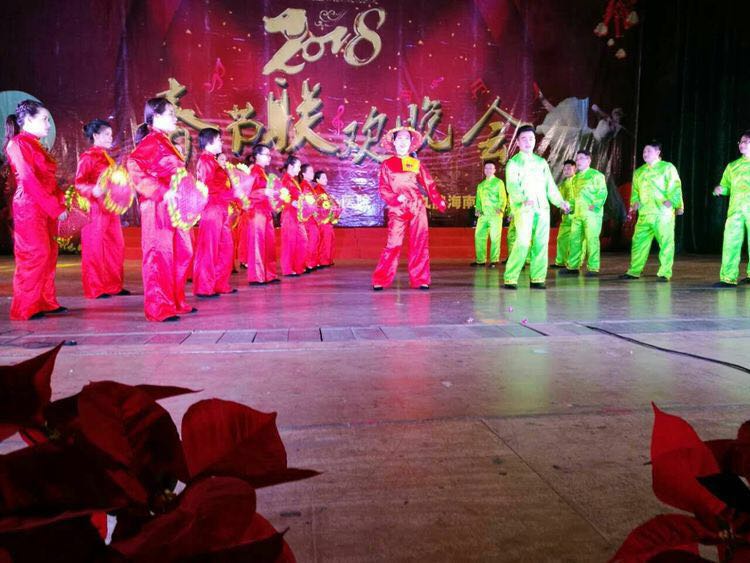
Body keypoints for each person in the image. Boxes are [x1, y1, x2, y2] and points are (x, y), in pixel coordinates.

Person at [126, 97, 195, 321]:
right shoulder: (152, 141)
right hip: (157, 207)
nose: (175, 118)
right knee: (159, 256)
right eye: (170, 114)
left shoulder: (165, 142)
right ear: (155, 117)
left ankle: (174, 301)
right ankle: (159, 308)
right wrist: (162, 191)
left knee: (182, 252)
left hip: (172, 208)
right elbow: (133, 165)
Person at [4, 99, 68, 320]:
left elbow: (48, 180)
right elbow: (29, 180)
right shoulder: (17, 144)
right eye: (44, 119)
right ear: (28, 120)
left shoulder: (35, 144)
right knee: (35, 254)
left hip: (43, 205)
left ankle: (45, 301)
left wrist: (59, 203)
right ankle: (25, 307)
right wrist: (54, 207)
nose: (48, 124)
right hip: (29, 206)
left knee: (49, 253)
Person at [372, 126, 447, 290]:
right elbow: (383, 188)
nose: (403, 141)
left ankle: (420, 279)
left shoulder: (415, 163)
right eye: (399, 138)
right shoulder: (387, 164)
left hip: (416, 207)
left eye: (406, 138)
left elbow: (429, 184)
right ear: (394, 142)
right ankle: (381, 279)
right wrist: (395, 198)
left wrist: (438, 201)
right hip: (397, 209)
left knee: (419, 243)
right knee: (393, 243)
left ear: (411, 142)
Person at [503, 124, 570, 289]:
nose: (528, 142)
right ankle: (510, 277)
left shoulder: (541, 162)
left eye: (531, 139)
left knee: (541, 243)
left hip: (542, 209)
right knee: (523, 242)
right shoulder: (514, 163)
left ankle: (538, 278)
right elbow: (512, 186)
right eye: (524, 139)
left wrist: (560, 202)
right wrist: (522, 199)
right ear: (517, 142)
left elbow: (550, 186)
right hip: (524, 209)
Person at [75, 118, 128, 299]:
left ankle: (114, 285)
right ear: (96, 136)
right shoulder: (87, 158)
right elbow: (79, 184)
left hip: (110, 209)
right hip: (94, 209)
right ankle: (95, 288)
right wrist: (93, 190)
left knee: (115, 246)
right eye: (106, 134)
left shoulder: (107, 158)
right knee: (94, 248)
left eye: (111, 135)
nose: (110, 138)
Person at [620, 140, 684, 282]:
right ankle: (634, 271)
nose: (645, 153)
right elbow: (635, 192)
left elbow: (675, 186)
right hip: (644, 213)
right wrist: (635, 202)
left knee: (666, 243)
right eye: (644, 151)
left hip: (662, 213)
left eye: (649, 151)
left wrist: (673, 202)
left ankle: (664, 272)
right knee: (638, 243)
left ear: (658, 152)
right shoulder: (639, 172)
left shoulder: (667, 167)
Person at [192, 128, 236, 297]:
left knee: (225, 247)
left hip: (221, 208)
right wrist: (233, 193)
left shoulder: (213, 161)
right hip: (212, 209)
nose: (221, 143)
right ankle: (204, 287)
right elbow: (208, 189)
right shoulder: (205, 161)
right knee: (209, 249)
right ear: (210, 141)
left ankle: (219, 283)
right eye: (219, 140)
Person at [561, 149, 607, 276]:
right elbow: (574, 197)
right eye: (577, 159)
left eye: (581, 158)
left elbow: (602, 192)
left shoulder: (596, 175)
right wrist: (569, 207)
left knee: (592, 240)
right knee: (574, 240)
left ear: (589, 160)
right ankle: (573, 266)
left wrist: (595, 206)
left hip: (592, 215)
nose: (578, 161)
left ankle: (593, 267)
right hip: (577, 214)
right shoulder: (575, 179)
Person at [713, 131, 750, 287]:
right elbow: (726, 186)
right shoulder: (732, 166)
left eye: (746, 141)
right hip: (735, 210)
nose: (742, 144)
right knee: (730, 243)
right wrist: (720, 189)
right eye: (741, 141)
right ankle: (728, 278)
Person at [245, 143, 279, 285]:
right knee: (257, 244)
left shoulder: (263, 172)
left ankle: (269, 274)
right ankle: (257, 276)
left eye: (270, 155)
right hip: (257, 212)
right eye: (267, 155)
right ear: (257, 156)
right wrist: (263, 192)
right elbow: (247, 193)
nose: (269, 158)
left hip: (266, 212)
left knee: (269, 244)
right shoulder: (254, 171)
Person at [471, 160, 507, 268]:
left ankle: (494, 260)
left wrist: (500, 208)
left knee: (495, 238)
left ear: (494, 170)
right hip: (483, 215)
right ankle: (480, 260)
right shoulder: (481, 185)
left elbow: (503, 197)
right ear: (484, 170)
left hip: (495, 215)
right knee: (479, 236)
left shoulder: (499, 182)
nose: (488, 170)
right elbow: (478, 200)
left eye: (491, 168)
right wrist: (478, 210)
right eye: (486, 168)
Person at [279, 155, 307, 276]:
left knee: (302, 241)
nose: (299, 169)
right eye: (298, 166)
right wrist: (293, 202)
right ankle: (288, 269)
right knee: (289, 242)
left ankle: (297, 267)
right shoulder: (285, 180)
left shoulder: (293, 180)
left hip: (297, 215)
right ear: (291, 166)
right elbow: (282, 197)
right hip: (289, 215)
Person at [551, 159, 577, 268]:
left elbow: (580, 197)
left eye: (569, 168)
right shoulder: (562, 185)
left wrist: (572, 207)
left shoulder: (578, 182)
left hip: (577, 215)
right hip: (566, 216)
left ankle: (575, 263)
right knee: (562, 238)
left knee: (576, 240)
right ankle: (561, 261)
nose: (566, 171)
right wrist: (562, 208)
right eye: (565, 169)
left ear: (575, 168)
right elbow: (559, 200)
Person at [298, 163, 320, 270]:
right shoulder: (304, 185)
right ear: (304, 174)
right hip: (308, 218)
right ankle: (307, 263)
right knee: (310, 240)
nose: (312, 173)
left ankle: (312, 262)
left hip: (312, 216)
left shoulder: (309, 185)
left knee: (314, 239)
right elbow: (306, 203)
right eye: (310, 171)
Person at [313, 170, 335, 267]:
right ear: (317, 180)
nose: (326, 179)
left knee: (328, 240)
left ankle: (327, 260)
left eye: (326, 177)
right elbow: (318, 207)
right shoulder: (317, 191)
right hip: (322, 220)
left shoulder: (322, 190)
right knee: (324, 241)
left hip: (326, 220)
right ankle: (323, 261)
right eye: (323, 178)